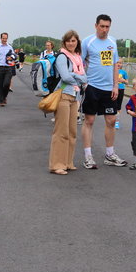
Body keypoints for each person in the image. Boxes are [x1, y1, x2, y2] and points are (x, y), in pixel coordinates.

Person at [81, 14, 127, 169]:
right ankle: (88, 156)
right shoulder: (88, 42)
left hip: (109, 89)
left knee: (111, 121)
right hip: (92, 87)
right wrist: (84, 83)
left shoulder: (112, 42)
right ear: (96, 26)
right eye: (102, 26)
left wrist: (115, 85)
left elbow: (115, 65)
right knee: (89, 121)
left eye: (107, 26)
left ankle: (110, 154)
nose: (105, 30)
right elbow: (80, 63)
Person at [48, 30, 87, 175]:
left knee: (72, 132)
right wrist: (79, 77)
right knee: (61, 132)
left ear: (77, 42)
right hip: (63, 95)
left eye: (74, 41)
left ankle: (68, 162)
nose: (71, 43)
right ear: (64, 43)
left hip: (75, 96)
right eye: (68, 41)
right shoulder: (62, 57)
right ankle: (57, 164)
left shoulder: (77, 58)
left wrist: (76, 76)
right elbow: (65, 77)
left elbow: (84, 78)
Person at [0, 33, 15, 107]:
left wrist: (11, 58)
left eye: (6, 38)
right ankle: (1, 100)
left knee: (6, 84)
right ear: (1, 38)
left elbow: (14, 56)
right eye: (3, 38)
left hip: (8, 67)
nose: (4, 40)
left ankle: (4, 96)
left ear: (7, 38)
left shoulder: (10, 47)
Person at [115, 58, 128, 129]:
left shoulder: (123, 72)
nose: (118, 64)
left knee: (118, 106)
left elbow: (127, 82)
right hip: (113, 89)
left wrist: (123, 80)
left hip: (121, 89)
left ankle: (117, 121)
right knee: (113, 104)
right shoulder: (112, 71)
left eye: (120, 63)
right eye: (117, 62)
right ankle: (111, 119)